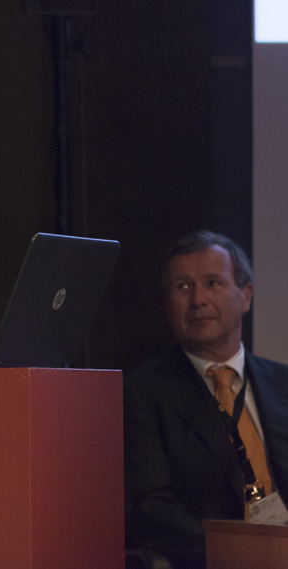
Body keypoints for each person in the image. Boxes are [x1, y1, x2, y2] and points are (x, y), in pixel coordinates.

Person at [124, 231, 288, 569]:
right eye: (183, 287)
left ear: (246, 296)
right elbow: (150, 511)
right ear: (167, 303)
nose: (198, 299)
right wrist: (242, 550)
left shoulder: (282, 382)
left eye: (213, 283)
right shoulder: (143, 392)